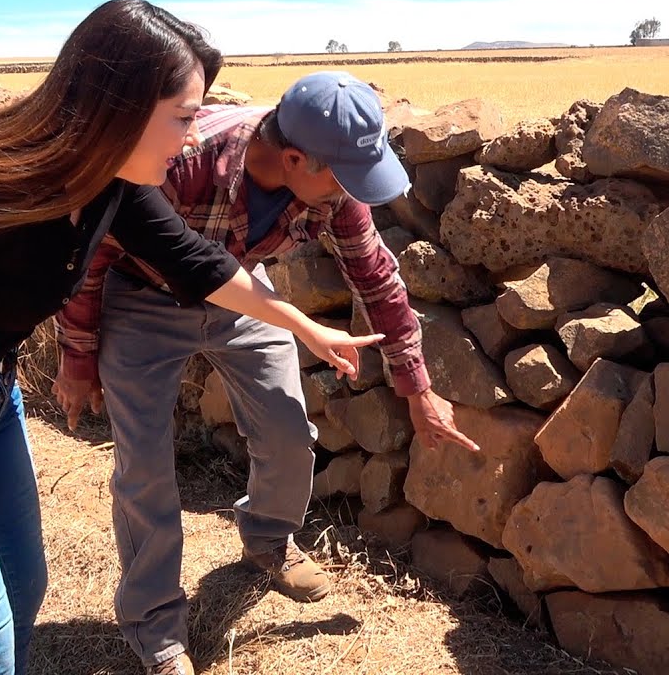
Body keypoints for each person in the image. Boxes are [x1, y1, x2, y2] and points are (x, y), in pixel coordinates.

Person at [0, 0, 378, 675]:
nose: (194, 136)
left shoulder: (111, 184)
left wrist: (304, 326)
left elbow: (195, 261)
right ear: (118, 106)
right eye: (181, 116)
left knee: (24, 595)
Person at [53, 70, 480, 675]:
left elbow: (377, 279)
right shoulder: (183, 160)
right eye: (341, 177)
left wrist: (417, 388)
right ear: (295, 158)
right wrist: (78, 358)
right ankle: (155, 626)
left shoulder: (333, 189)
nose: (351, 192)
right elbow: (92, 251)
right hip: (143, 294)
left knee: (285, 424)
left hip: (243, 293)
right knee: (144, 463)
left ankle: (269, 539)